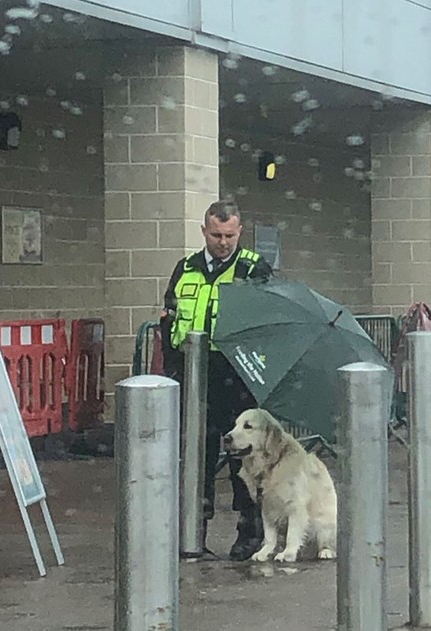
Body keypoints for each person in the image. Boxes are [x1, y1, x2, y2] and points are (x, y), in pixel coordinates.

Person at [160, 200, 273, 561]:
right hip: (195, 376)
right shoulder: (186, 268)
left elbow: (266, 323)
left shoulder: (253, 269)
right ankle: (194, 532)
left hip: (238, 377)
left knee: (245, 458)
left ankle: (249, 533)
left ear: (240, 232)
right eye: (216, 235)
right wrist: (175, 368)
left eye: (229, 235)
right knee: (197, 455)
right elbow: (171, 318)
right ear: (204, 232)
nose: (222, 242)